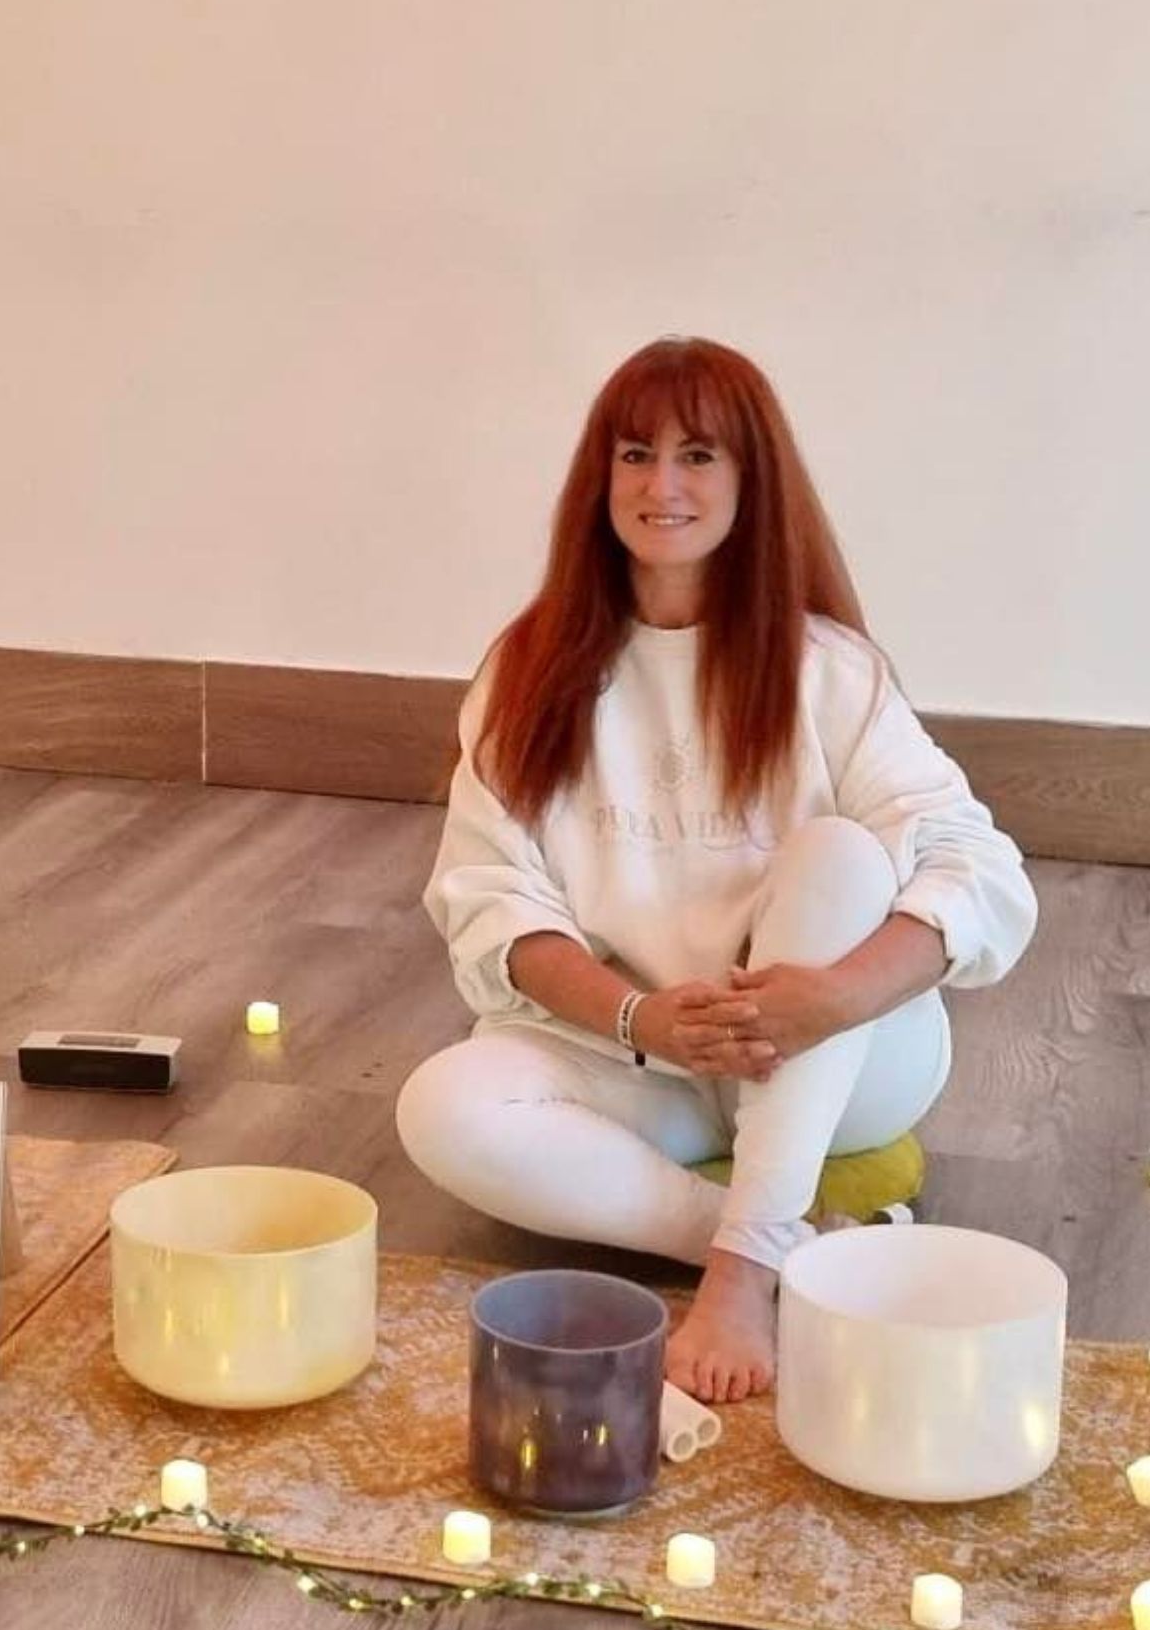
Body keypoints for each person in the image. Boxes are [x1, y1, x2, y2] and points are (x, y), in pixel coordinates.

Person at [395, 336, 1037, 1405]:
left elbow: (979, 868)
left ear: (751, 482)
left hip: (843, 1064)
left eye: (699, 456)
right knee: (442, 1105)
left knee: (839, 855)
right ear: (601, 481)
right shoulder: (527, 670)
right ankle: (762, 1239)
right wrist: (644, 1019)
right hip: (647, 1061)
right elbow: (490, 897)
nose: (662, 486)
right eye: (636, 454)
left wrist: (826, 1000)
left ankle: (746, 1271)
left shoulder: (828, 670)